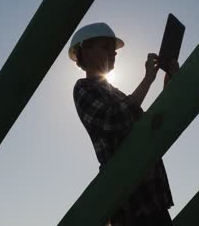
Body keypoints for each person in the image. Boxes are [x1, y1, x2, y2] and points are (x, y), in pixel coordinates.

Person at [69, 23, 179, 226]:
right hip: (130, 203)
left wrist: (170, 81)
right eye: (105, 47)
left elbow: (148, 125)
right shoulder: (83, 88)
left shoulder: (115, 93)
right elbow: (114, 120)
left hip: (150, 197)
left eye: (114, 50)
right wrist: (147, 79)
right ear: (84, 50)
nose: (113, 54)